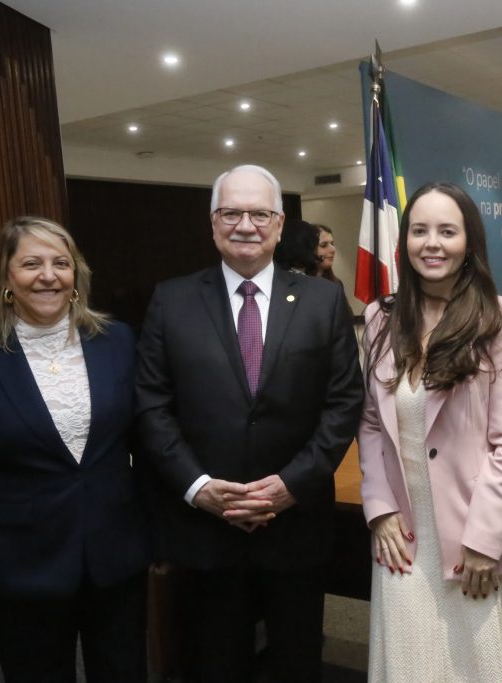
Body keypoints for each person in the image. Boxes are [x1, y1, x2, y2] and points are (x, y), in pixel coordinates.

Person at [135, 164, 363, 683]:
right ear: (212, 223)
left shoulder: (323, 300)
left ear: (280, 225)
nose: (245, 225)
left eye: (259, 214)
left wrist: (289, 486)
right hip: (205, 531)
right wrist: (198, 487)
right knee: (213, 665)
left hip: (296, 527)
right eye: (230, 213)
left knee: (296, 664)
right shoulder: (171, 300)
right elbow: (151, 405)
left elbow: (344, 402)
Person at [0, 217, 149, 683]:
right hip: (22, 568)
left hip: (116, 560)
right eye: (31, 264)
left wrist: (161, 536)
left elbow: (147, 447)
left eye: (60, 264)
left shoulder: (118, 341)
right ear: (6, 277)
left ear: (76, 276)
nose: (48, 276)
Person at [359, 182, 502, 682]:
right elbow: (372, 424)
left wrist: (485, 538)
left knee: (483, 668)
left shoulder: (501, 317)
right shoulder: (381, 317)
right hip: (404, 535)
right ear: (404, 240)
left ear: (469, 241)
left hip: (479, 531)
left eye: (447, 231)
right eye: (420, 231)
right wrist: (379, 508)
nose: (432, 243)